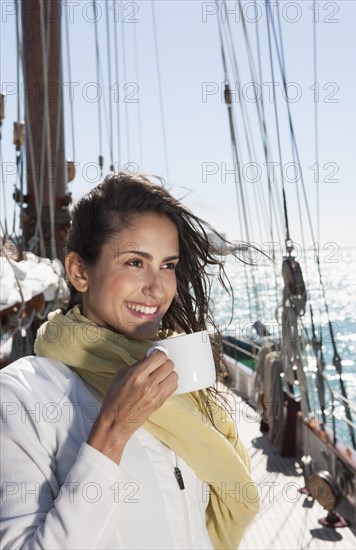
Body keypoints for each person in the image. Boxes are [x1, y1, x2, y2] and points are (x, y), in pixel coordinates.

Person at [0, 172, 259, 549]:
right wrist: (114, 430)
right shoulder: (21, 397)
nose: (157, 288)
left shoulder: (174, 378)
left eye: (168, 265)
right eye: (136, 263)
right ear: (79, 272)